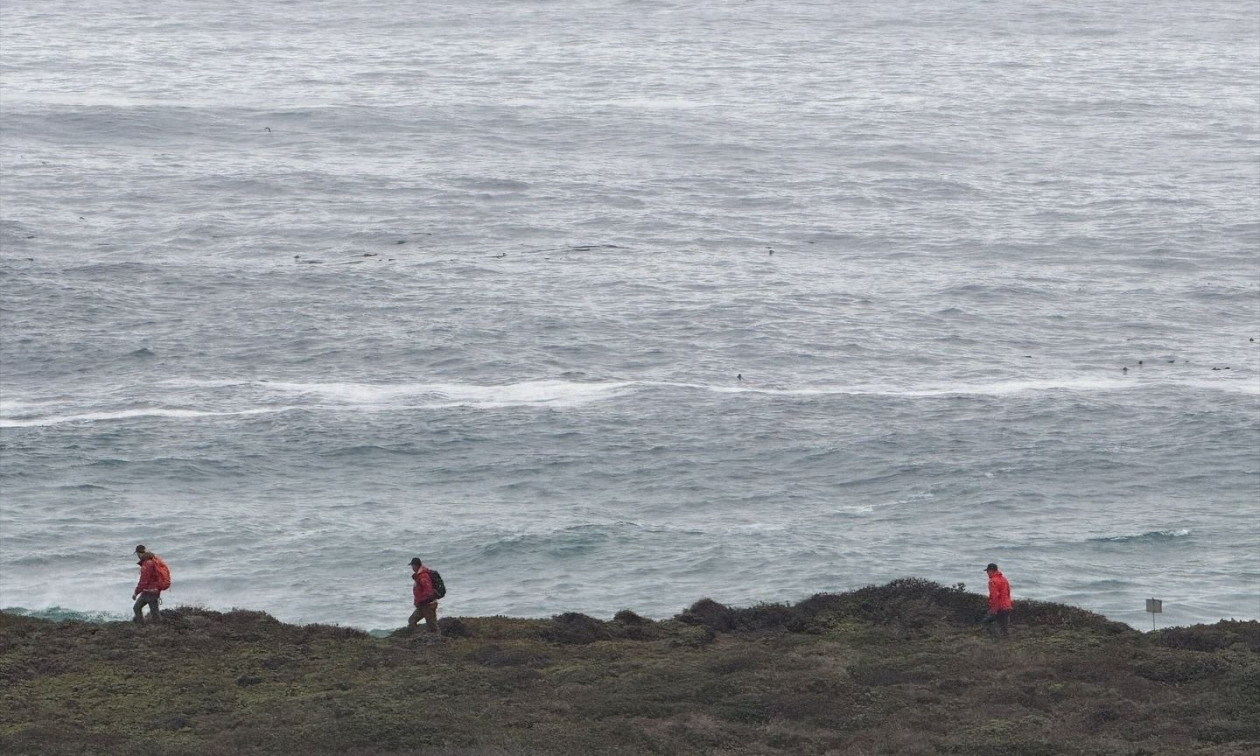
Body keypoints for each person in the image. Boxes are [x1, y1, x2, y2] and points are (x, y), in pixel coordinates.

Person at [132, 545, 169, 624]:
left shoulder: (147, 564)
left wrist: (136, 593)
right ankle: (145, 626)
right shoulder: (152, 560)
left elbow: (143, 581)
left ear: (138, 553)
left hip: (150, 592)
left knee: (153, 613)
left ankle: (143, 626)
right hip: (151, 591)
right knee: (139, 608)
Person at [408, 557, 440, 635]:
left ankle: (438, 642)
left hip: (428, 605)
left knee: (432, 626)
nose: (412, 568)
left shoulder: (423, 576)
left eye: (412, 565)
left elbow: (428, 590)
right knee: (412, 620)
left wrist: (423, 600)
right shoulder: (419, 575)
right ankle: (417, 636)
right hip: (423, 605)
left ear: (415, 566)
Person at [981, 562, 1013, 637]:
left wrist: (994, 610)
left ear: (991, 571)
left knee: (986, 622)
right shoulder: (1004, 579)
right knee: (1004, 628)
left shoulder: (992, 581)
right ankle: (1004, 642)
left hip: (1000, 607)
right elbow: (1008, 592)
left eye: (988, 571)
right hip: (1007, 606)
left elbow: (995, 596)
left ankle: (995, 638)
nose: (987, 573)